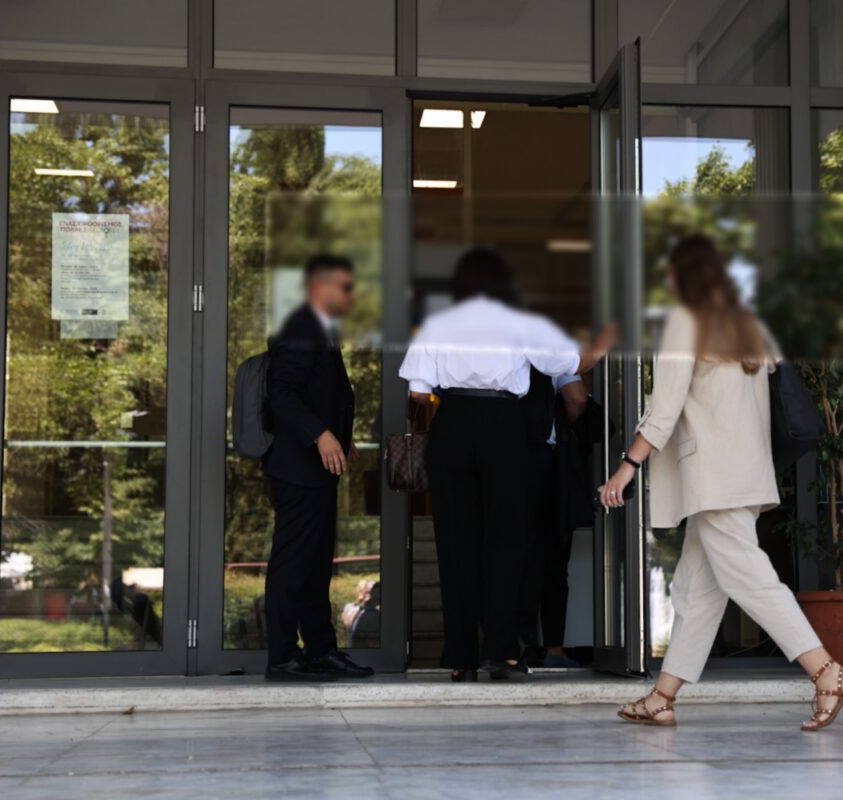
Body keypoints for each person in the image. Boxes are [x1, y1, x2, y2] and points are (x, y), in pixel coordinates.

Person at [602, 236, 843, 732]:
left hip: (713, 477)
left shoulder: (684, 320)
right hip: (743, 473)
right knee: (697, 590)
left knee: (751, 579)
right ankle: (662, 697)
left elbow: (666, 406)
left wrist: (628, 464)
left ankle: (826, 671)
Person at [399, 249, 615, 682]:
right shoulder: (521, 322)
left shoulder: (439, 323)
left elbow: (419, 393)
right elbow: (573, 365)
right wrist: (608, 339)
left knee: (456, 543)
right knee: (507, 541)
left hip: (453, 424)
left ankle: (461, 658)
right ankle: (498, 653)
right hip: (503, 423)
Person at [263, 254, 374, 682]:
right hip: (298, 468)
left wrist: (340, 436)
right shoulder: (300, 326)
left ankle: (320, 651)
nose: (352, 295)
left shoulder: (319, 327)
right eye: (345, 287)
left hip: (315, 469)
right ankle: (283, 657)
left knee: (314, 565)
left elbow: (316, 391)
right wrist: (321, 434)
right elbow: (282, 392)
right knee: (293, 564)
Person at [517, 368, 589, 668]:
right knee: (554, 562)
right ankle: (554, 648)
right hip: (547, 463)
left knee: (508, 557)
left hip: (500, 458)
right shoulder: (552, 353)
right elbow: (577, 398)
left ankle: (513, 646)